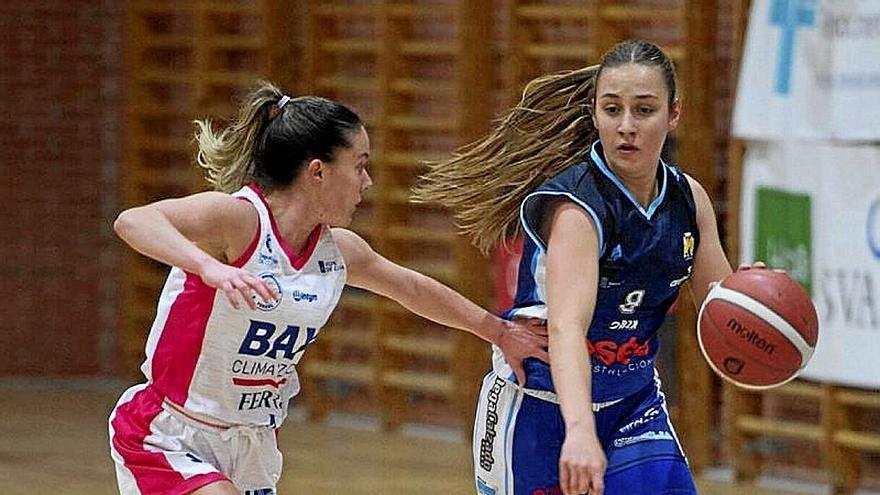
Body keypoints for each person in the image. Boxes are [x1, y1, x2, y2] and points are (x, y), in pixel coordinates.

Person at [108, 81, 549, 495]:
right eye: (359, 166)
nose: (367, 182)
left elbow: (412, 289)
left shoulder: (338, 251)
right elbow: (134, 220)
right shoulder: (238, 220)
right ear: (317, 172)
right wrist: (208, 268)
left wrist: (500, 331)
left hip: (253, 443)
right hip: (171, 433)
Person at [413, 39, 736, 495]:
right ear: (594, 113)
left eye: (644, 111)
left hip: (633, 405)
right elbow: (567, 328)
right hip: (541, 407)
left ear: (674, 114)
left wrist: (748, 303)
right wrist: (580, 429)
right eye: (612, 109)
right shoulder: (578, 209)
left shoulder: (689, 198)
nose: (626, 126)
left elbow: (716, 306)